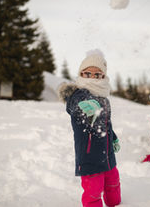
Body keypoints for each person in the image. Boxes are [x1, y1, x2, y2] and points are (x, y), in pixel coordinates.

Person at [58, 49, 121, 207]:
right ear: (81, 74)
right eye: (88, 73)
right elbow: (75, 104)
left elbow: (106, 123)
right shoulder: (78, 94)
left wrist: (113, 137)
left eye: (97, 74)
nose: (92, 77)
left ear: (103, 76)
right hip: (89, 155)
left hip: (107, 154)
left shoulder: (104, 99)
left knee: (113, 183)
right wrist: (85, 106)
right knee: (93, 191)